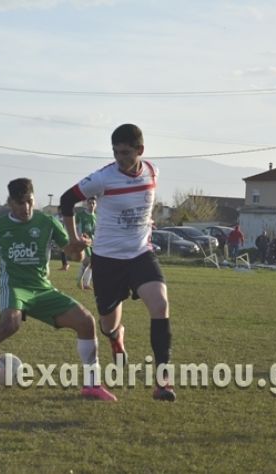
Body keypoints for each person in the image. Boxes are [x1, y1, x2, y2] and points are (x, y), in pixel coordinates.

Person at [0, 178, 116, 402]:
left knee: (86, 321)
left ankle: (92, 385)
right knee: (9, 324)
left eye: (30, 202)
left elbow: (72, 254)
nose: (27, 208)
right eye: (21, 203)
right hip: (13, 287)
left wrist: (79, 248)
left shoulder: (47, 223)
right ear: (11, 202)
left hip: (42, 289)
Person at [59, 123, 176, 402]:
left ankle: (163, 381)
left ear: (140, 150)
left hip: (139, 254)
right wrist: (73, 239)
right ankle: (115, 337)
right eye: (115, 153)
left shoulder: (152, 172)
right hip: (107, 259)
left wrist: (147, 221)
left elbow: (144, 205)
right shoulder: (103, 178)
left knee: (160, 304)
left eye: (125, 153)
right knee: (107, 323)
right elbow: (66, 200)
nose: (119, 158)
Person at [76, 197, 97, 290]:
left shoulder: (95, 217)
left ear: (96, 205)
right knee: (89, 260)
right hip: (83, 241)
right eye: (90, 203)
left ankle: (85, 283)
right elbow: (76, 227)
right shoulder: (80, 215)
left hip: (92, 241)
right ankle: (80, 282)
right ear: (86, 204)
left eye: (93, 203)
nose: (91, 205)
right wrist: (79, 237)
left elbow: (94, 231)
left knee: (91, 263)